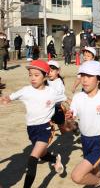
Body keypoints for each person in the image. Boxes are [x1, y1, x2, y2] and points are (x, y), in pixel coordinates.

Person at [0, 60, 65, 188]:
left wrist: (73, 110)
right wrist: (5, 99)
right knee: (42, 155)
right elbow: (10, 97)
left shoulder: (51, 92)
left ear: (45, 75)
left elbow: (65, 99)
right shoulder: (26, 91)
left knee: (32, 159)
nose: (32, 78)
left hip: (45, 129)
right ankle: (55, 159)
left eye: (36, 75)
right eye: (30, 75)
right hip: (31, 130)